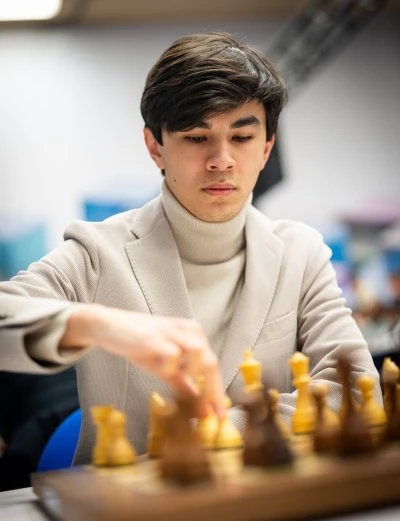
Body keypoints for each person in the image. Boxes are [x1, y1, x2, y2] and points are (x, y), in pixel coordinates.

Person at [0, 31, 381, 465]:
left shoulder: (301, 253)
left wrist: (220, 430)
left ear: (266, 149)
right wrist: (98, 324)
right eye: (197, 137)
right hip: (136, 497)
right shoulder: (97, 253)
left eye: (242, 137)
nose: (222, 160)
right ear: (155, 147)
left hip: (268, 492)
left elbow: (357, 388)